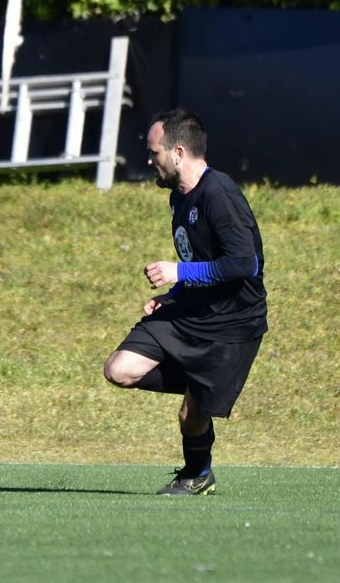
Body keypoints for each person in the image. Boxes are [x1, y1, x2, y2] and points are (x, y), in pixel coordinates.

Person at [103, 108, 267, 495]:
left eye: (154, 152)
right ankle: (202, 385)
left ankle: (198, 473)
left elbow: (244, 264)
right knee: (119, 369)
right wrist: (173, 294)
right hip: (190, 312)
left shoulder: (219, 193)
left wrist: (179, 274)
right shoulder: (179, 197)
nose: (149, 160)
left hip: (232, 326)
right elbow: (199, 262)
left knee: (191, 417)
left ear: (178, 153)